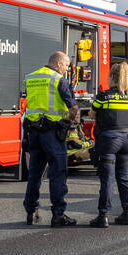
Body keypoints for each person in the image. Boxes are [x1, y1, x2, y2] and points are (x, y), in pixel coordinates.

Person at [22, 51, 80, 227]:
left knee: (35, 174)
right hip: (53, 134)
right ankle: (58, 215)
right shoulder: (58, 79)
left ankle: (31, 212)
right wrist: (70, 120)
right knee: (58, 173)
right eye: (66, 66)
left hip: (34, 132)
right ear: (58, 63)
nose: (66, 70)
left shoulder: (31, 77)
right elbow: (73, 107)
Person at [89, 63, 128, 228]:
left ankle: (103, 216)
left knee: (107, 179)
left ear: (112, 77)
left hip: (110, 139)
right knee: (124, 177)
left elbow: (92, 112)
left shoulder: (104, 95)